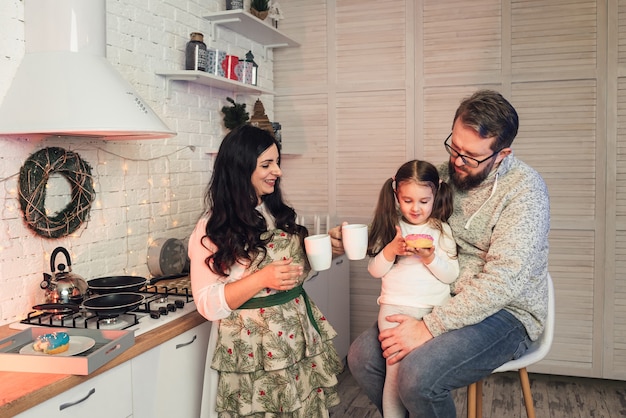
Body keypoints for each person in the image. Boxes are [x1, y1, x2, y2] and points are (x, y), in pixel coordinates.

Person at [330, 89, 550, 417]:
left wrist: (430, 327)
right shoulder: (441, 176)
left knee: (418, 375)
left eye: (471, 157)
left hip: (505, 312)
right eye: (454, 147)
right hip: (440, 298)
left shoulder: (525, 192)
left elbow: (503, 282)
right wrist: (352, 245)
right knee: (361, 358)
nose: (457, 162)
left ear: (502, 155)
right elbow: (402, 232)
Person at [189, 125, 343, 418]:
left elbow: (294, 274)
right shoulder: (210, 229)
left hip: (293, 338)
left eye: (277, 163)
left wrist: (334, 250)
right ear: (240, 168)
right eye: (267, 164)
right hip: (251, 350)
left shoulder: (274, 212)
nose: (278, 172)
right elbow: (207, 304)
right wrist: (261, 278)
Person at [367, 159, 459, 417]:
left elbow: (451, 274)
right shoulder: (391, 227)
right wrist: (391, 250)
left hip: (431, 316)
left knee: (423, 377)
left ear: (436, 195)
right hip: (393, 311)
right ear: (396, 195)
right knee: (394, 375)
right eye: (408, 201)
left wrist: (430, 257)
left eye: (424, 201)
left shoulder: (441, 230)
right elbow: (375, 270)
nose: (416, 209)